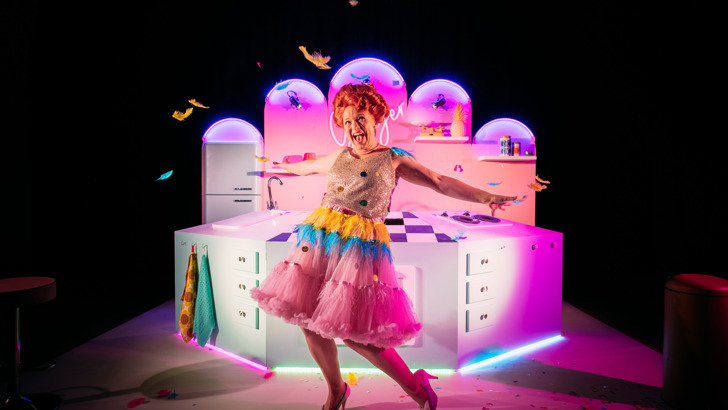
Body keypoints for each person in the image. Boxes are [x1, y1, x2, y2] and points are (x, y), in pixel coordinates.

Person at [251, 83, 516, 410]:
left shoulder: (393, 159)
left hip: (358, 246)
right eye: (346, 122)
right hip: (320, 239)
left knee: (355, 333)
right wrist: (279, 165)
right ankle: (337, 391)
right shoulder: (339, 156)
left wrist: (486, 196)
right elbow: (306, 166)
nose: (353, 128)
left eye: (359, 119)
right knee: (308, 322)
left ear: (376, 118)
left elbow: (439, 181)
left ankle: (417, 387)